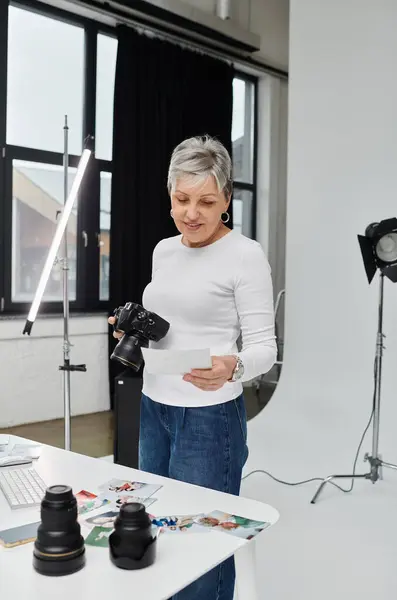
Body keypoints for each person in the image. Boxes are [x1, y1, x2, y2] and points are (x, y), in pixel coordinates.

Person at [109, 135, 277, 600]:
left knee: (204, 540)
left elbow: (265, 347)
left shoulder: (245, 255)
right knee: (159, 525)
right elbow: (171, 329)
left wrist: (234, 365)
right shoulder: (164, 250)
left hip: (209, 417)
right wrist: (132, 335)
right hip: (153, 406)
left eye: (206, 201)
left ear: (226, 198)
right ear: (169, 196)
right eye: (182, 199)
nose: (191, 213)